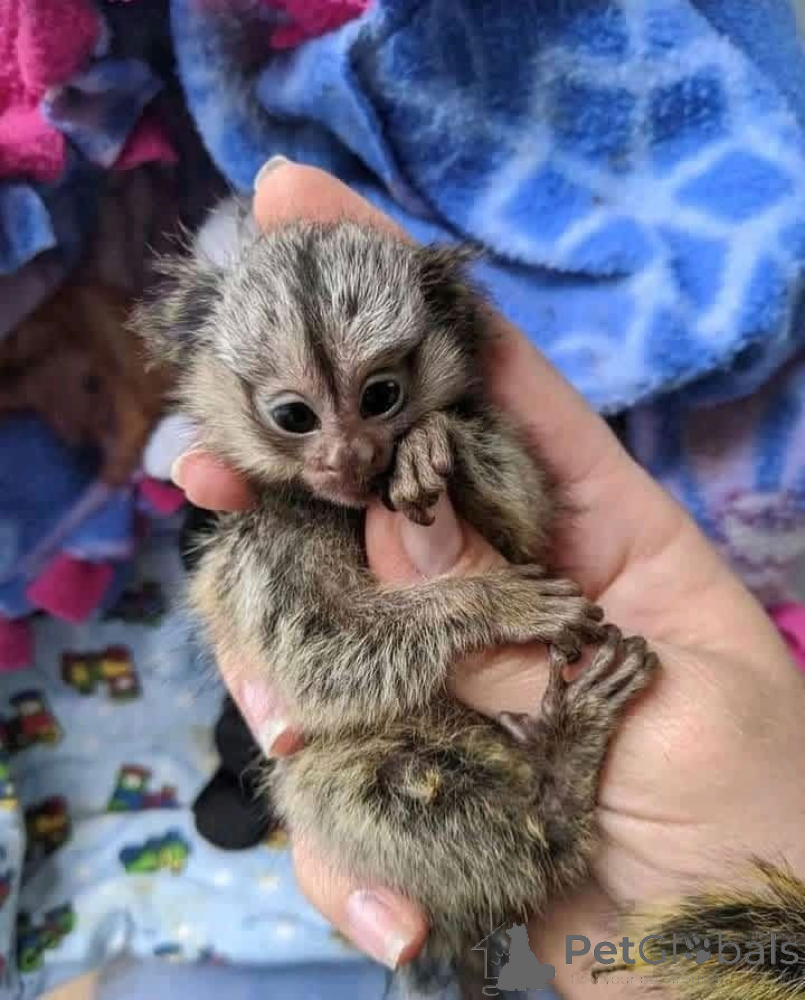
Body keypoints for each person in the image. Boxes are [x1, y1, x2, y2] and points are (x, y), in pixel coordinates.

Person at [168, 159, 805, 999]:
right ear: (210, 384)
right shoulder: (264, 532)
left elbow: (523, 528)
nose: (345, 451)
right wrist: (479, 603)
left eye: (380, 395)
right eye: (293, 417)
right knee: (328, 789)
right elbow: (327, 680)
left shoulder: (462, 437)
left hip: (596, 838)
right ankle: (546, 818)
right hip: (431, 776)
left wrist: (459, 467)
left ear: (441, 342)